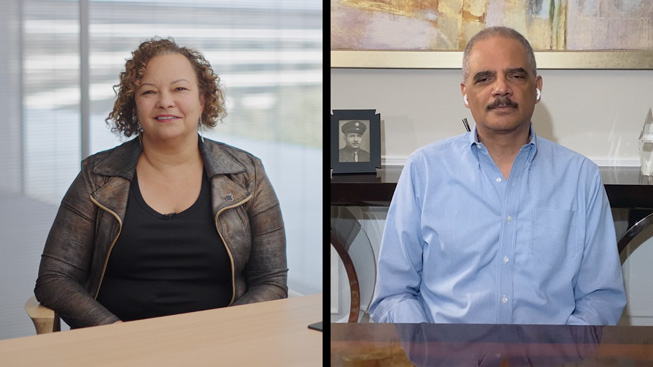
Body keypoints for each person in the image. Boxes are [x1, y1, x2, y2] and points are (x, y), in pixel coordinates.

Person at [369, 27, 626, 325]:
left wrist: (560, 354)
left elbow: (600, 298)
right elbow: (394, 294)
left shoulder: (581, 178)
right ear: (465, 92)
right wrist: (432, 348)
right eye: (484, 78)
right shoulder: (423, 171)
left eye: (515, 76)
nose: (501, 88)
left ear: (537, 87)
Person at [34, 37, 287, 328]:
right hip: (117, 348)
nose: (165, 101)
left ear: (203, 99)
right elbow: (55, 278)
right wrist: (113, 333)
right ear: (134, 104)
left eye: (180, 88)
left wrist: (222, 331)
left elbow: (272, 281)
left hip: (220, 345)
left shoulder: (247, 174)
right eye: (149, 91)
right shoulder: (97, 176)